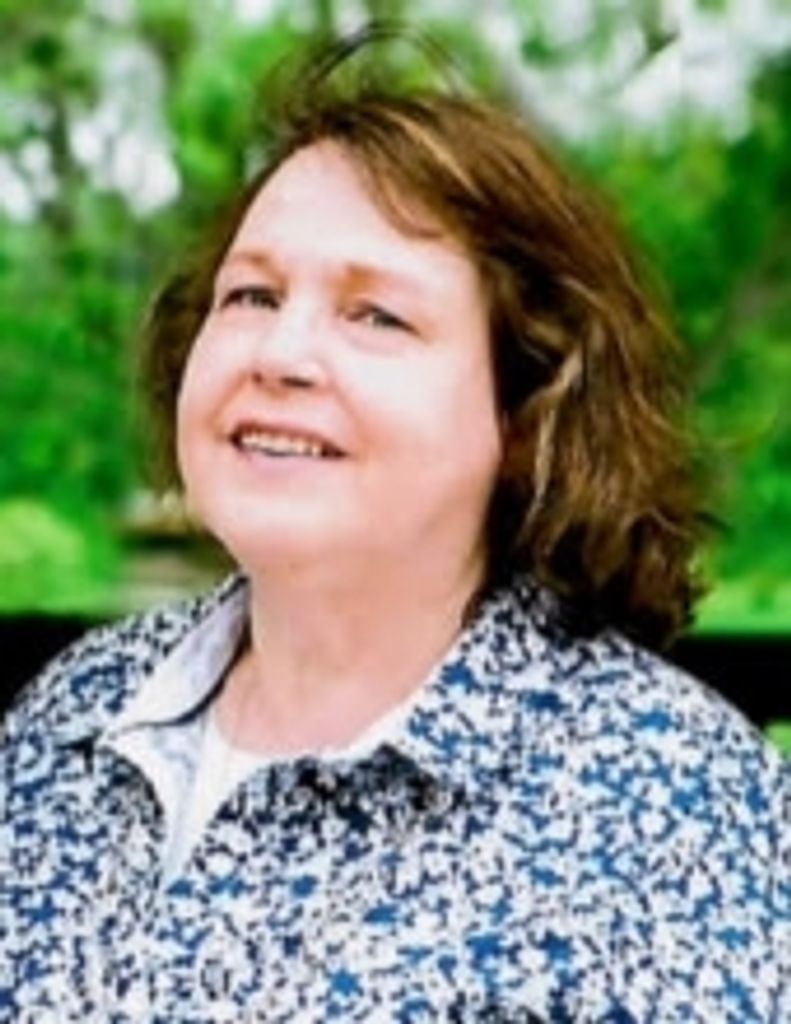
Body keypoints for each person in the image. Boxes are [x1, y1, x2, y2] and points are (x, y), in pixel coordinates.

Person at [1, 36, 787, 1024]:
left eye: (375, 315)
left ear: (528, 409)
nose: (280, 353)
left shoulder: (676, 801)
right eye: (251, 295)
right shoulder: (74, 709)